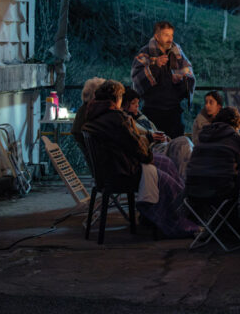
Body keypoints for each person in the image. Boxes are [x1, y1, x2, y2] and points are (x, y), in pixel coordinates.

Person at [81, 80, 198, 238]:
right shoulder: (117, 118)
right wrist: (148, 146)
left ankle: (176, 212)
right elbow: (139, 149)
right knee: (167, 181)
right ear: (117, 99)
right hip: (123, 172)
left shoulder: (93, 116)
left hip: (109, 171)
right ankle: (179, 221)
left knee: (167, 163)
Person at [131, 21, 196, 138]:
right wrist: (155, 66)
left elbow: (190, 75)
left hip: (175, 112)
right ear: (157, 36)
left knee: (177, 147)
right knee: (155, 149)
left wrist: (181, 79)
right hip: (152, 111)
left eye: (171, 35)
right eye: (166, 35)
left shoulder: (177, 53)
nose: (170, 39)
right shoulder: (145, 53)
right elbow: (137, 78)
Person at [122, 86, 194, 179]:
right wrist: (150, 137)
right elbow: (134, 141)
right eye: (133, 103)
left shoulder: (142, 117)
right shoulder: (127, 121)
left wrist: (164, 138)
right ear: (125, 105)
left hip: (161, 144)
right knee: (183, 142)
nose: (137, 106)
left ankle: (185, 180)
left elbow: (155, 131)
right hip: (152, 150)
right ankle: (186, 182)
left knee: (185, 146)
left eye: (138, 103)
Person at [184, 107, 240, 199]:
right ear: (236, 126)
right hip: (221, 192)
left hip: (193, 190)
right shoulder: (237, 139)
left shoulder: (203, 136)